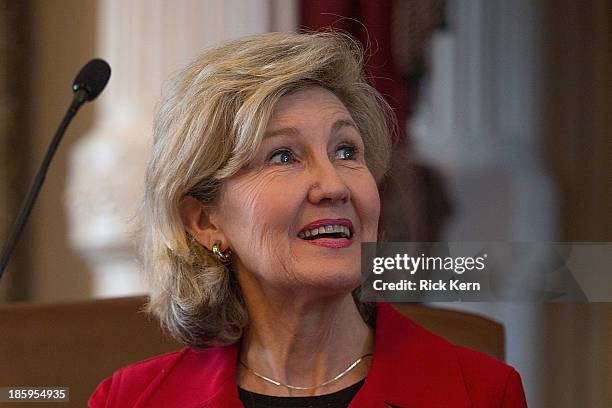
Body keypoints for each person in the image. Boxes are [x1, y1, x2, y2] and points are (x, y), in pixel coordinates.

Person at [89, 31, 527, 407]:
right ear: (205, 222)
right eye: (284, 156)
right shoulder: (131, 399)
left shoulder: (479, 392)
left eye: (346, 151)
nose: (334, 185)